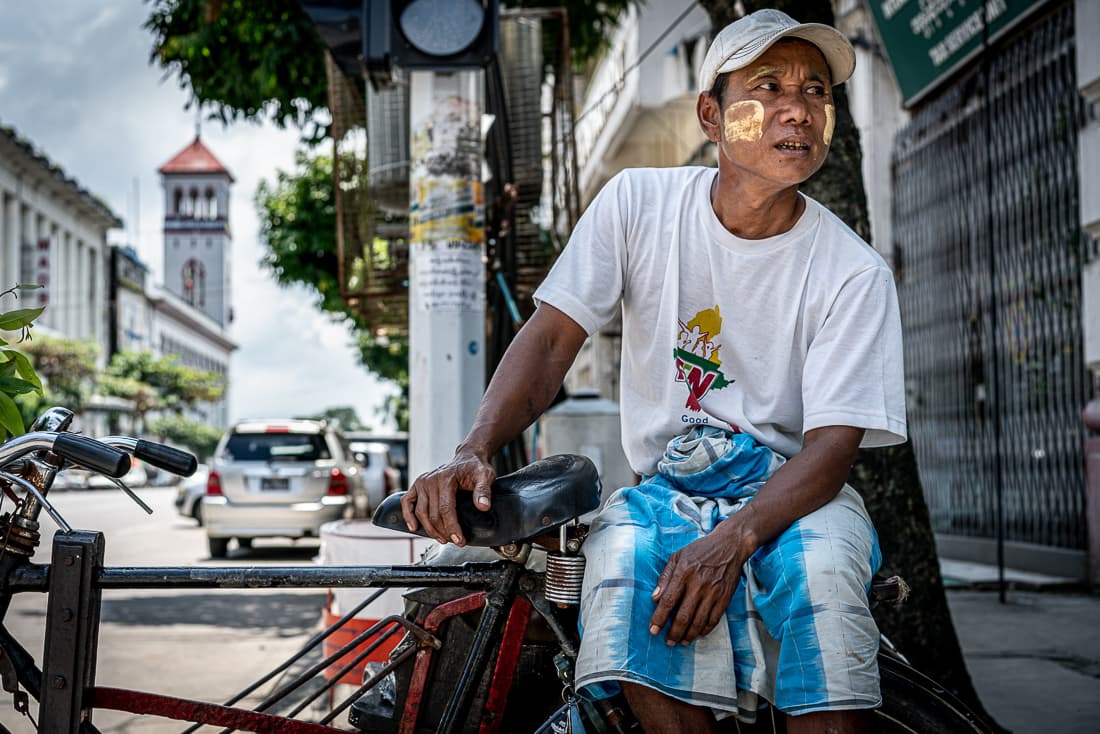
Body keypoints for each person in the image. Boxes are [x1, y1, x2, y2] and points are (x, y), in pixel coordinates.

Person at [401, 8, 906, 733]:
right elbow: (550, 342)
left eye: (817, 91)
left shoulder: (853, 272)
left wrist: (732, 541)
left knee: (823, 580)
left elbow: (831, 450)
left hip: (795, 491)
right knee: (629, 572)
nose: (799, 108)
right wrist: (473, 449)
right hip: (666, 489)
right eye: (769, 86)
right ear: (711, 113)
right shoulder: (639, 203)